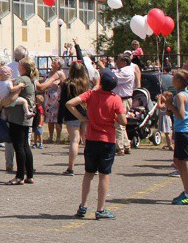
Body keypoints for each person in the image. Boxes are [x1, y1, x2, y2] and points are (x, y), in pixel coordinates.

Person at [67, 69, 126, 220]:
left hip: (91, 139)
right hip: (107, 140)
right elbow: (123, 121)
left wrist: (82, 117)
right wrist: (116, 115)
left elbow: (70, 103)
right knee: (104, 175)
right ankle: (100, 209)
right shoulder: (116, 99)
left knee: (88, 174)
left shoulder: (91, 94)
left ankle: (83, 206)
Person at [2, 58, 37, 185]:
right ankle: (30, 175)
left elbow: (13, 97)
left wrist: (2, 103)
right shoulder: (31, 80)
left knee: (18, 146)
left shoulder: (21, 80)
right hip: (26, 117)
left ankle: (19, 176)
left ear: (23, 67)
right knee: (25, 145)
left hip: (17, 117)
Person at [168, 70, 188, 204]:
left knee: (184, 164)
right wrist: (168, 105)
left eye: (174, 78)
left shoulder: (180, 95)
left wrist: (171, 107)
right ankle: (186, 190)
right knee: (178, 161)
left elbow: (181, 115)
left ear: (179, 81)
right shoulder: (185, 94)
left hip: (184, 132)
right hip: (183, 131)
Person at [59, 62, 92, 175]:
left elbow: (63, 102)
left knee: (74, 141)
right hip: (85, 113)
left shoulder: (67, 84)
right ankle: (91, 166)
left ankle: (70, 168)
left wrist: (59, 118)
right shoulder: (86, 83)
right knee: (87, 141)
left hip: (71, 113)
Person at [111, 54, 139, 155]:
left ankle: (119, 148)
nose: (116, 62)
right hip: (121, 99)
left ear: (124, 62)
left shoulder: (126, 72)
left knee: (118, 124)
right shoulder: (122, 71)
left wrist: (103, 68)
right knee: (121, 124)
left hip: (123, 99)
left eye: (118, 60)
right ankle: (126, 145)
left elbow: (113, 79)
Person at [40, 59, 66, 143]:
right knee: (49, 118)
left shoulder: (61, 73)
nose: (53, 61)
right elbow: (43, 83)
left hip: (57, 99)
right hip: (48, 99)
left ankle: (58, 137)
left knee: (57, 118)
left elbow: (65, 84)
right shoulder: (48, 73)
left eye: (55, 60)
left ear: (59, 65)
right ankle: (50, 137)